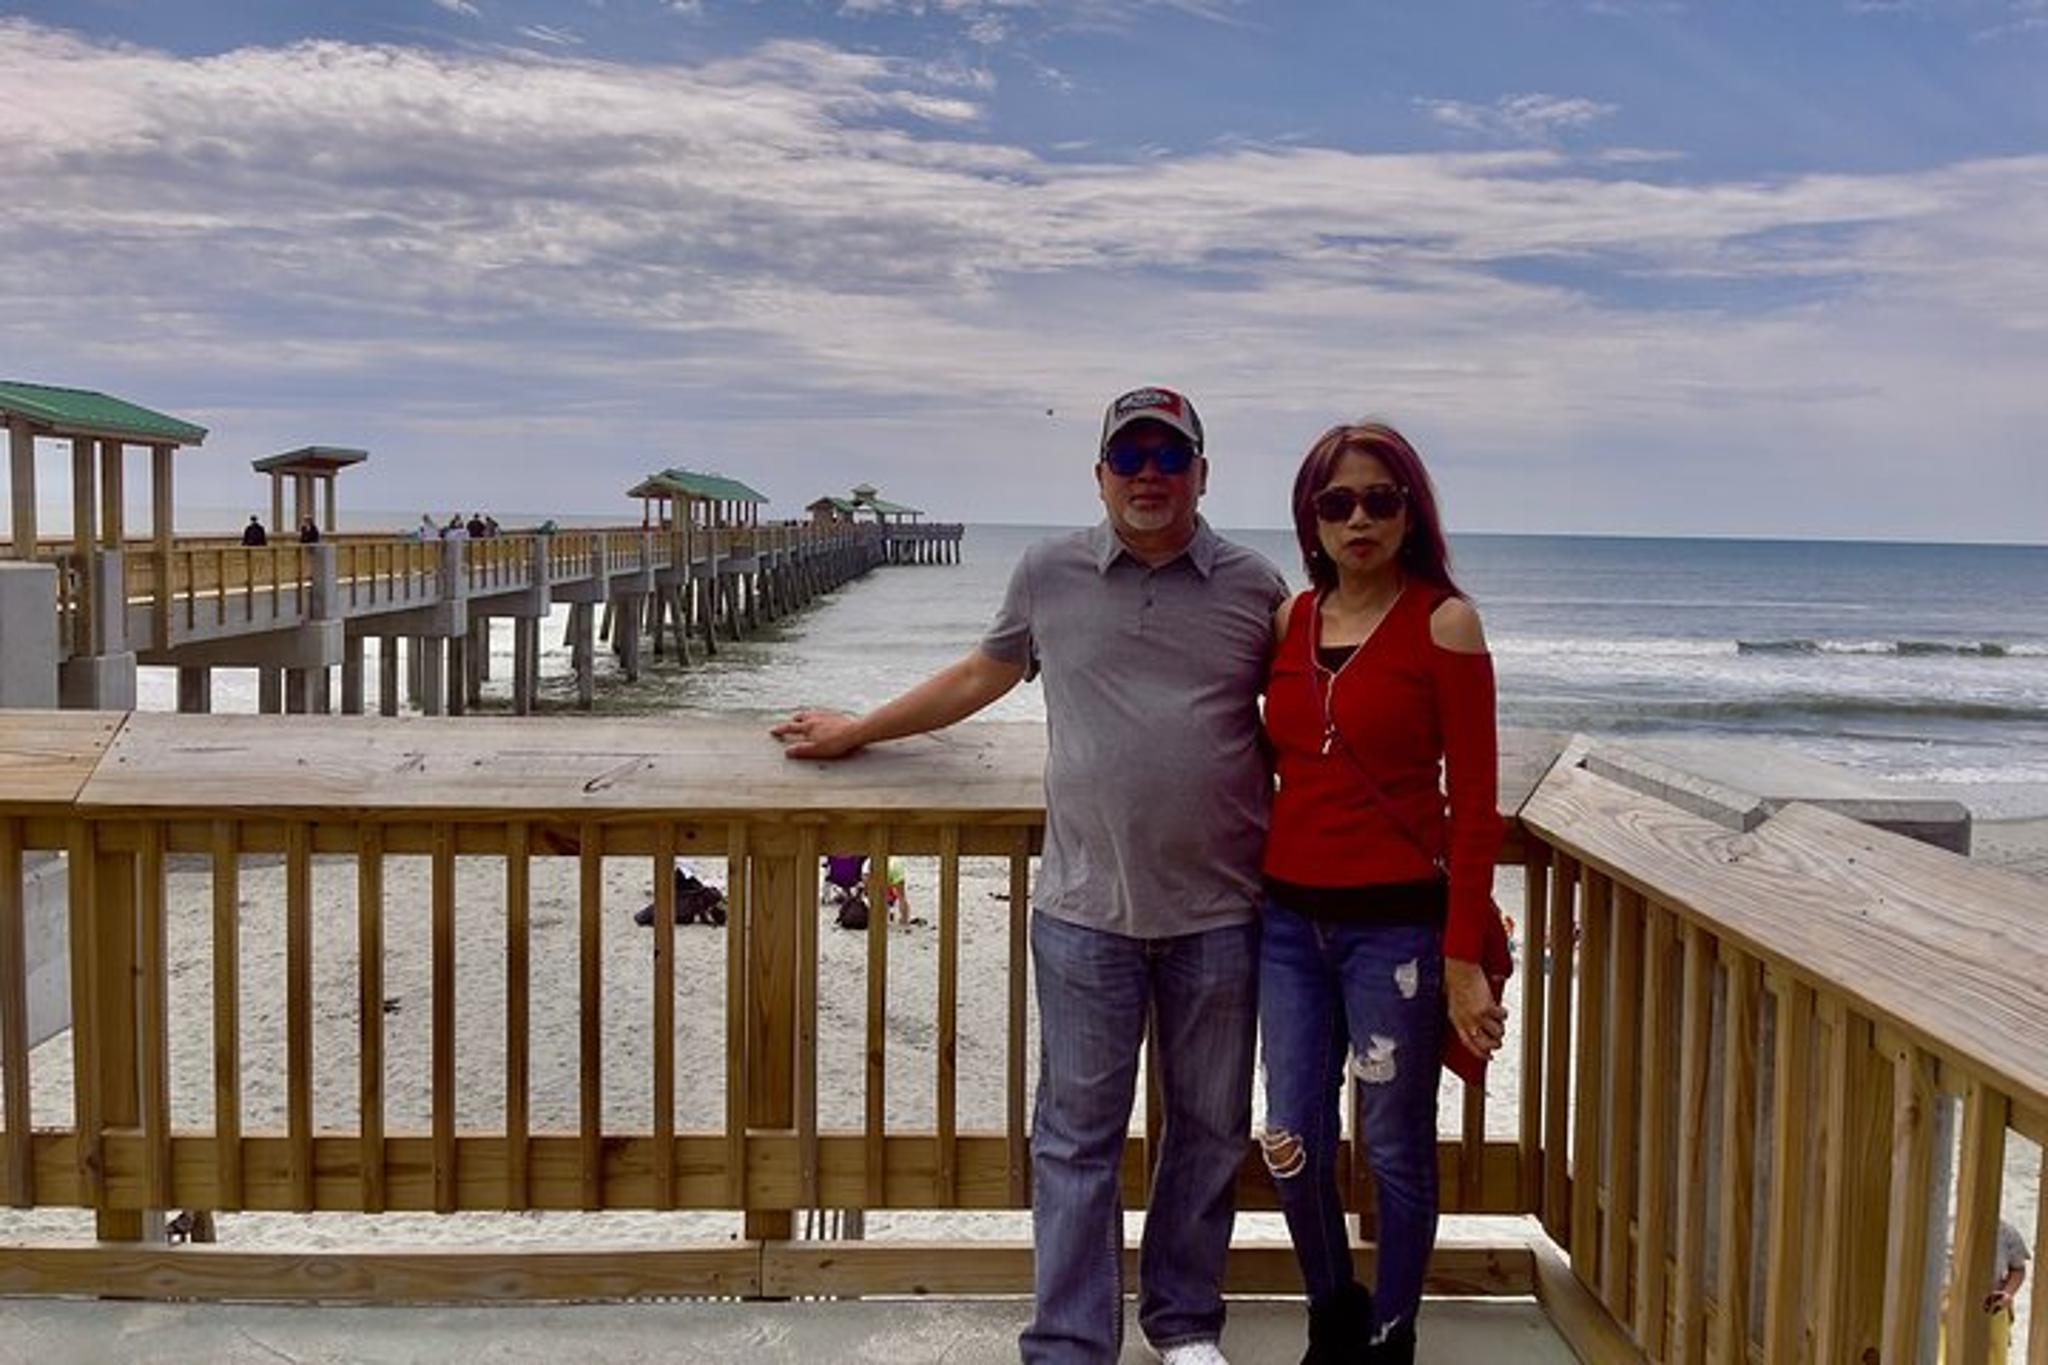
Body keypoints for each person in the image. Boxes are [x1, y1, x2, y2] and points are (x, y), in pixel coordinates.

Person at [773, 386, 1286, 1365]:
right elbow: (981, 674)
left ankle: (1183, 1329)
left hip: (1222, 912)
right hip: (1084, 911)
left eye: (1168, 458)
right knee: (1075, 1140)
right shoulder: (1048, 572)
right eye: (1128, 458)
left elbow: (1310, 718)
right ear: (1098, 475)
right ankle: (1069, 1343)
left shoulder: (1254, 587)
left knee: (1211, 1131)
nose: (1148, 474)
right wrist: (857, 731)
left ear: (1200, 476)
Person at [1256, 422, 1505, 1365]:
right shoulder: (1290, 620)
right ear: (1310, 520)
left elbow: (1474, 805)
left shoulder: (1444, 622)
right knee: (1291, 1133)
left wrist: (1463, 954)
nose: (1358, 518)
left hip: (1397, 931)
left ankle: (1393, 1334)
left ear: (1411, 511)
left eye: (1380, 499)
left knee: (1395, 1146)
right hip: (1285, 921)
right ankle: (1333, 1313)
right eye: (1337, 502)